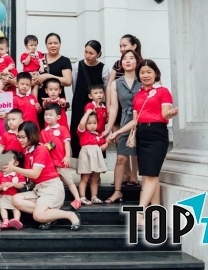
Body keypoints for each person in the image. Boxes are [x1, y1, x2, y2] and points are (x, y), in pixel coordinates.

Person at [109, 59, 178, 226]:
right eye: (142, 72)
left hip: (157, 134)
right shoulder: (139, 95)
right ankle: (156, 210)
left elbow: (164, 114)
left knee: (152, 174)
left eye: (149, 72)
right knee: (147, 174)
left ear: (155, 73)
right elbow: (134, 120)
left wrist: (171, 114)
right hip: (142, 133)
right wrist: (117, 132)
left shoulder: (163, 91)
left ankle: (140, 210)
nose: (145, 75)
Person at [8, 121, 81, 231]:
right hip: (38, 189)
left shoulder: (40, 149)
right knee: (16, 199)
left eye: (23, 137)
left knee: (38, 216)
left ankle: (70, 215)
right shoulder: (26, 150)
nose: (20, 140)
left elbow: (35, 173)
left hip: (52, 188)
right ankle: (49, 216)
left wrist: (13, 168)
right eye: (19, 137)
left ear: (31, 136)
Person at [104, 49, 144, 203]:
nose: (127, 61)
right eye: (124, 58)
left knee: (143, 159)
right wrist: (108, 128)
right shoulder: (115, 83)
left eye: (131, 58)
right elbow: (114, 108)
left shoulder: (143, 79)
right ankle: (117, 191)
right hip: (126, 122)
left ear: (137, 61)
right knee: (121, 158)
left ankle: (145, 193)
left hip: (144, 122)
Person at [70, 40, 111, 159]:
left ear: (98, 54)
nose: (87, 55)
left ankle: (96, 165)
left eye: (91, 53)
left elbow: (107, 89)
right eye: (86, 52)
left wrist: (105, 106)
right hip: (79, 103)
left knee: (96, 130)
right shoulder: (77, 65)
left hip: (97, 105)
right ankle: (81, 163)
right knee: (79, 130)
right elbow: (74, 84)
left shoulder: (104, 68)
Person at [41, 104, 81, 209]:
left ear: (58, 117)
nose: (48, 117)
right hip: (50, 165)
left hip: (61, 161)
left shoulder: (62, 129)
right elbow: (42, 148)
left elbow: (67, 143)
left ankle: (77, 199)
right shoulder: (43, 132)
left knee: (69, 181)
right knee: (56, 185)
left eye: (50, 115)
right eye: (46, 115)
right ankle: (57, 202)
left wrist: (67, 156)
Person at [76, 110, 109, 205]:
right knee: (85, 177)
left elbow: (102, 148)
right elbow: (81, 124)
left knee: (95, 178)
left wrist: (108, 142)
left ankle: (94, 196)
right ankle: (82, 197)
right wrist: (87, 113)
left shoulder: (98, 135)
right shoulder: (82, 132)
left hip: (96, 157)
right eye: (89, 123)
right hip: (86, 156)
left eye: (94, 123)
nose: (92, 125)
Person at [0, 150, 26, 229]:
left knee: (16, 208)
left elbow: (22, 185)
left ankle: (16, 220)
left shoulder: (18, 173)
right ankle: (5, 220)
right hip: (4, 196)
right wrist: (2, 187)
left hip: (14, 196)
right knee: (2, 207)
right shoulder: (1, 174)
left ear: (16, 163)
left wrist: (13, 184)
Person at [20, 34, 45, 99]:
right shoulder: (24, 54)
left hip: (36, 72)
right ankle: (26, 99)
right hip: (28, 73)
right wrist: (29, 55)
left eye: (35, 45)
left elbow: (40, 61)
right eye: (31, 45)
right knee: (27, 85)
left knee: (36, 85)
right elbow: (26, 63)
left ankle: (34, 100)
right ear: (26, 46)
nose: (33, 47)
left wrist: (41, 67)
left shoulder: (38, 53)